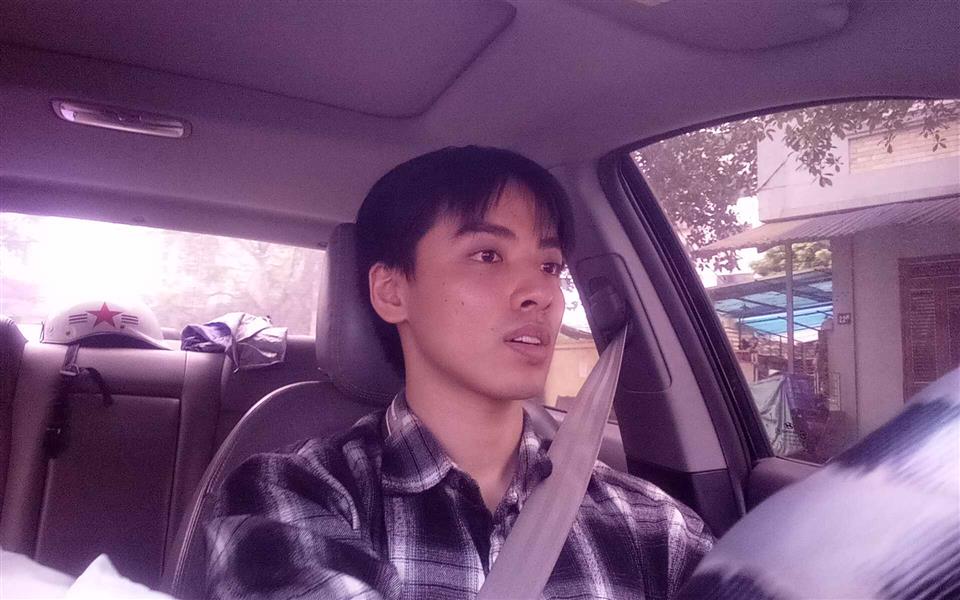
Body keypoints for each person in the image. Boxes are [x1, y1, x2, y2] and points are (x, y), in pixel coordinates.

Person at [205, 146, 714, 599]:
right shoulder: (298, 491)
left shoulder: (656, 528)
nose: (541, 293)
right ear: (391, 292)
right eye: (488, 255)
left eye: (549, 266)